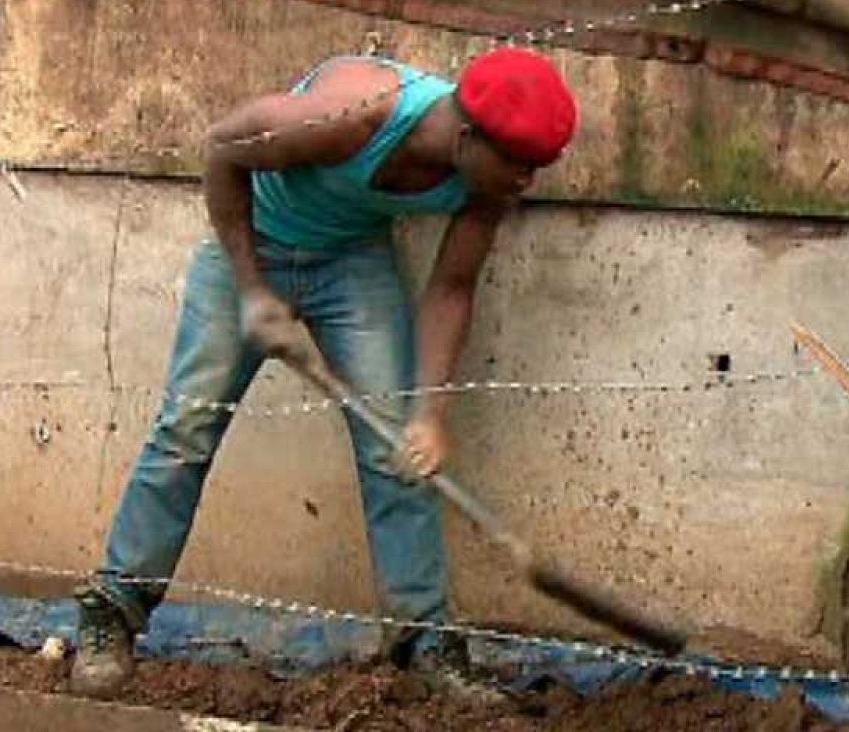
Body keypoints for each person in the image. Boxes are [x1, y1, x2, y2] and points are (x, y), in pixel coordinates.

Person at [68, 47, 579, 698]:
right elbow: (222, 149)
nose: (527, 182)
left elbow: (451, 287)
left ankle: (425, 642)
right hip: (250, 247)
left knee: (397, 447)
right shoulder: (351, 113)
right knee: (188, 426)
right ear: (468, 135)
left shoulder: (486, 181)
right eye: (520, 165)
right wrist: (253, 291)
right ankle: (113, 609)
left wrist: (429, 413)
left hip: (351, 260)